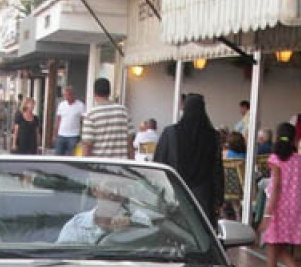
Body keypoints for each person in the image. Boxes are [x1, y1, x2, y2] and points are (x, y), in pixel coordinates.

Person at [259, 122, 301, 267]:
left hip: (278, 206)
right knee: (279, 248)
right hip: (294, 208)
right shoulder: (300, 160)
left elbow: (277, 186)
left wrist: (267, 214)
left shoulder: (275, 158)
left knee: (272, 251)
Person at [152, 93, 223, 223]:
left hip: (175, 194)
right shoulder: (213, 137)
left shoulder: (170, 134)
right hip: (203, 198)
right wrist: (218, 199)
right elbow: (217, 170)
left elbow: (159, 163)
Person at [58, 187, 151, 243]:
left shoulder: (139, 219)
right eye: (109, 185)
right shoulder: (76, 226)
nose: (115, 192)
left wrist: (131, 226)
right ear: (95, 190)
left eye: (121, 186)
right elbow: (63, 263)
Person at [81, 77, 132, 160]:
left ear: (94, 93)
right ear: (109, 92)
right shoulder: (123, 111)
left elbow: (87, 144)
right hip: (122, 166)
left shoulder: (91, 114)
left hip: (100, 167)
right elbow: (130, 142)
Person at [54, 86, 85, 156]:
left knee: (71, 156)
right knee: (58, 155)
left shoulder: (80, 105)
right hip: (61, 134)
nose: (66, 97)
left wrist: (83, 134)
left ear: (72, 95)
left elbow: (83, 121)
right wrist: (55, 134)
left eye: (68, 95)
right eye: (64, 95)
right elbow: (58, 119)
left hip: (74, 135)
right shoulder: (61, 105)